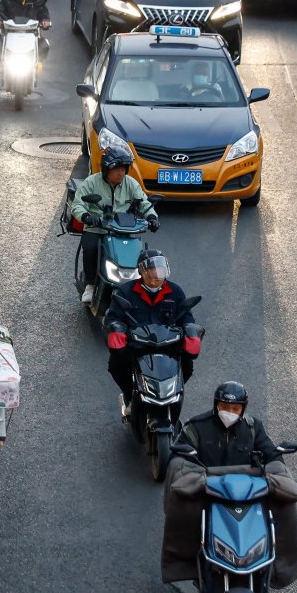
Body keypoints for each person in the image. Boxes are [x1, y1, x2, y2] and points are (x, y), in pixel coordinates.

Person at [106, 248, 201, 412]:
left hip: (168, 346)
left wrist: (190, 330)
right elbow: (114, 316)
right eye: (152, 270)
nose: (156, 275)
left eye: (160, 270)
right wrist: (117, 330)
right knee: (116, 365)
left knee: (187, 366)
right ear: (142, 272)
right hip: (138, 347)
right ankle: (130, 395)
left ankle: (172, 394)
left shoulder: (175, 292)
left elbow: (186, 316)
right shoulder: (126, 292)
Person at [70, 147, 159, 303]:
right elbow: (78, 205)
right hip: (97, 228)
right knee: (90, 248)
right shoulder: (92, 182)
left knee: (136, 253)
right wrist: (87, 217)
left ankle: (136, 282)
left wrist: (152, 217)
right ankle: (90, 284)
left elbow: (144, 202)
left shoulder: (130, 183)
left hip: (122, 230)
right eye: (117, 169)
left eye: (124, 169)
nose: (121, 173)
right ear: (106, 169)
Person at [180, 381, 276, 469]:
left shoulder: (254, 427)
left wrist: (277, 462)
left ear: (243, 409)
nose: (229, 412)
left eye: (235, 409)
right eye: (224, 407)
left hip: (245, 485)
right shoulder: (195, 427)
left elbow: (273, 456)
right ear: (216, 405)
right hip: (204, 484)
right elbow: (178, 459)